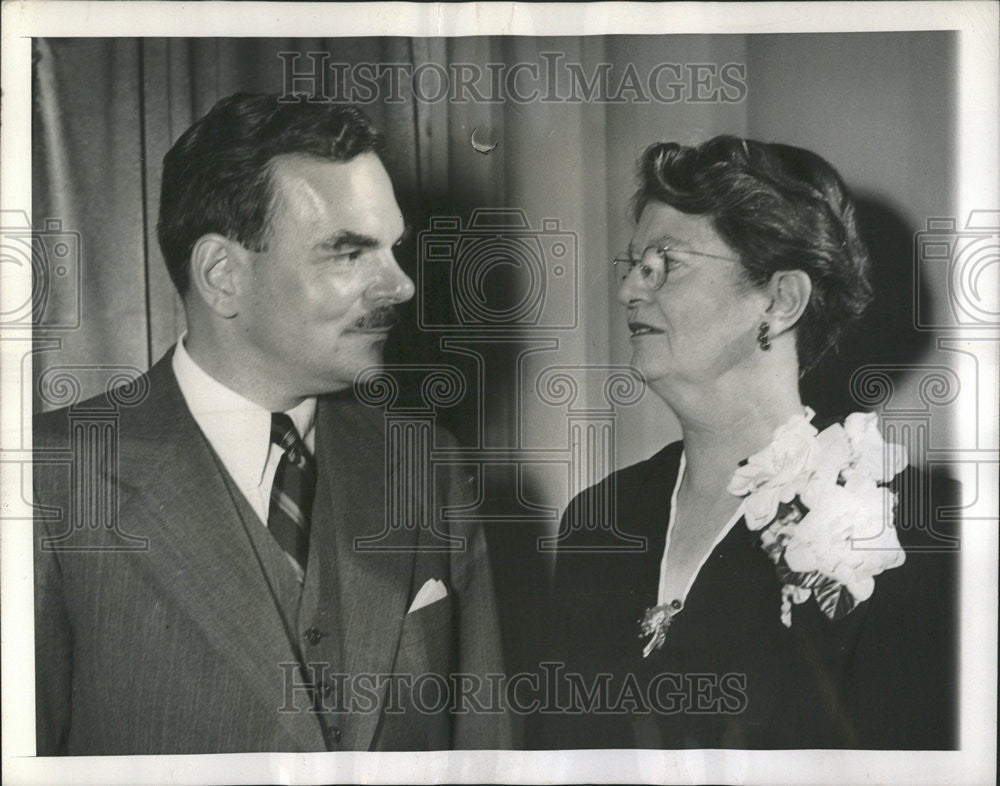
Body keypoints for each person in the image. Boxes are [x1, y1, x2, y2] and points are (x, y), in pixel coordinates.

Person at [33, 93, 510, 755]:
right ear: (222, 276)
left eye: (394, 249)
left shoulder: (430, 469)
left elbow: (488, 754)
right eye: (348, 253)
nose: (400, 286)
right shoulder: (49, 483)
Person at [535, 136, 958, 749]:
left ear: (781, 299)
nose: (629, 289)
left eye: (666, 263)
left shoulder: (911, 529)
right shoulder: (597, 521)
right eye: (634, 265)